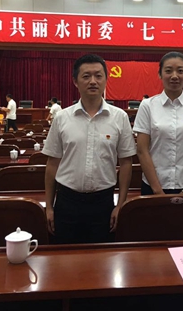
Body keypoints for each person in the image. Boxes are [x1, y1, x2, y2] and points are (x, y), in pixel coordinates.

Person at [42, 54, 136, 244]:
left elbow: (126, 163)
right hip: (67, 201)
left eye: (98, 76)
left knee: (103, 258)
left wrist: (121, 205)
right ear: (75, 81)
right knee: (64, 257)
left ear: (106, 79)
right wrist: (49, 207)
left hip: (103, 203)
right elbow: (52, 164)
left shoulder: (120, 117)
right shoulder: (62, 118)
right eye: (86, 76)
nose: (93, 81)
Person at [133, 52, 183, 195]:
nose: (174, 76)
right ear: (160, 74)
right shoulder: (147, 106)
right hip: (153, 186)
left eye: (180, 71)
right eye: (168, 71)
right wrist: (157, 190)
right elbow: (142, 150)